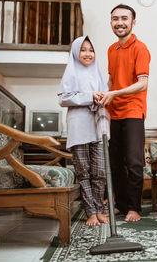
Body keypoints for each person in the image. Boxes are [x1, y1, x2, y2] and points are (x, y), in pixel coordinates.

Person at [99, 4, 151, 222]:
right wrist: (104, 95)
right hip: (113, 112)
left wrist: (116, 93)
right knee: (115, 162)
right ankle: (120, 204)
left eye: (124, 18)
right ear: (111, 22)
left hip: (133, 110)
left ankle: (134, 208)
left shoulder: (141, 48)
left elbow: (143, 83)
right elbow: (111, 80)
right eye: (115, 18)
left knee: (134, 162)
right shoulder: (111, 49)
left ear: (133, 22)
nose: (119, 22)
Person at [58, 36, 109, 226]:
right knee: (84, 171)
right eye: (83, 50)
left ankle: (99, 209)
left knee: (100, 171)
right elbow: (63, 98)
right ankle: (91, 212)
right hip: (79, 126)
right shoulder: (71, 72)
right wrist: (90, 96)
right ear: (75, 52)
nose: (88, 54)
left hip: (98, 125)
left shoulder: (97, 72)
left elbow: (104, 94)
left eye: (91, 50)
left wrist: (102, 98)